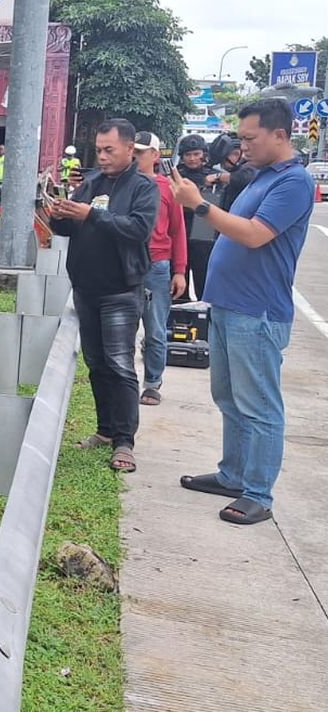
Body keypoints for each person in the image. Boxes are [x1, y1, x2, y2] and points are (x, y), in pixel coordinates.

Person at [172, 98, 315, 525]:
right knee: (229, 397)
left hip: (257, 313)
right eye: (241, 136)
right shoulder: (260, 178)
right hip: (230, 307)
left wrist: (198, 204)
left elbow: (254, 235)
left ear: (280, 135)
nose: (242, 145)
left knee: (259, 406)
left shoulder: (293, 183)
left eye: (250, 137)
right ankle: (232, 474)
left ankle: (258, 493)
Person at [43, 119, 158, 473]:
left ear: (129, 148)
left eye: (110, 150)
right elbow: (70, 228)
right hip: (86, 289)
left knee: (120, 364)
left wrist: (92, 214)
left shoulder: (143, 187)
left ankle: (125, 441)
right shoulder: (89, 183)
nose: (103, 156)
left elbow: (138, 229)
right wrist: (59, 215)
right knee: (97, 365)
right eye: (99, 150)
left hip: (121, 290)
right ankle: (106, 431)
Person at [133, 132, 187, 406]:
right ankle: (126, 382)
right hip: (126, 264)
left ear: (155, 155)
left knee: (155, 329)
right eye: (133, 151)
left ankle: (152, 383)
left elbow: (178, 231)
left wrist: (180, 270)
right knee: (123, 328)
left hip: (156, 266)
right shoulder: (122, 184)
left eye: (142, 152)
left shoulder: (167, 188)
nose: (136, 156)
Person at [174, 134, 219, 300]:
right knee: (178, 289)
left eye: (196, 154)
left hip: (204, 233)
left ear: (204, 154)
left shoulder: (216, 176)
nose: (192, 159)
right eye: (188, 155)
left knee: (205, 285)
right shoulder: (175, 176)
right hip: (180, 233)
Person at [208, 132, 257, 213]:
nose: (222, 166)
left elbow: (244, 178)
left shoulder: (252, 168)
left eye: (223, 161)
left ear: (236, 154)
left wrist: (217, 177)